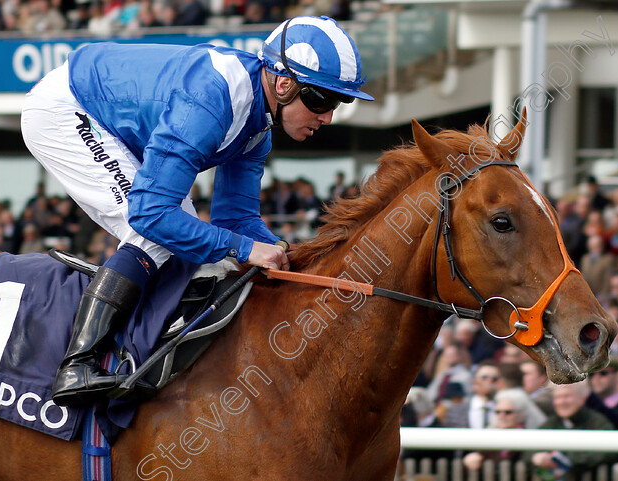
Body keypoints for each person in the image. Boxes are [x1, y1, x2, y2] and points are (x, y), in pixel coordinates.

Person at [21, 16, 373, 406]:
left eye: (339, 103)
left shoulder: (257, 129)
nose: (327, 117)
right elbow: (151, 213)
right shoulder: (213, 97)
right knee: (157, 230)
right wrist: (243, 248)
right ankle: (77, 364)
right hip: (66, 107)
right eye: (320, 100)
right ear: (284, 82)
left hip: (112, 119)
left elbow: (235, 220)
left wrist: (283, 252)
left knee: (187, 230)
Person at [525, 381, 617, 481]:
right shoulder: (550, 423)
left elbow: (609, 451)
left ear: (582, 399)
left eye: (567, 396)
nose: (562, 402)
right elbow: (528, 451)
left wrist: (567, 460)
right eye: (558, 397)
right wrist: (537, 457)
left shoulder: (598, 422)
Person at [462, 389, 532, 471]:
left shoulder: (528, 437)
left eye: (508, 412)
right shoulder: (489, 436)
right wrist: (472, 458)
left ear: (521, 414)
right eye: (498, 412)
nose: (501, 416)